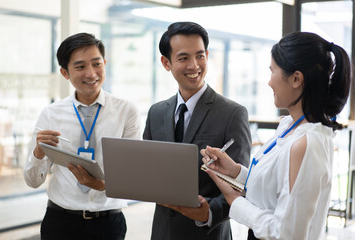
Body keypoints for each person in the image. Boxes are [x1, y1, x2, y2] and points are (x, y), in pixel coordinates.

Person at [201, 31, 351, 240]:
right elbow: (274, 190)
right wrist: (235, 171)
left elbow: (287, 234)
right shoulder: (290, 126)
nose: (269, 82)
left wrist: (235, 202)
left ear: (296, 79)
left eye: (273, 72)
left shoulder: (306, 143)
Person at [24, 33, 142, 240]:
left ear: (105, 63)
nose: (91, 73)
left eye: (97, 64)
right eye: (80, 67)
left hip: (109, 224)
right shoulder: (51, 114)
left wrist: (102, 185)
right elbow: (32, 181)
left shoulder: (126, 111)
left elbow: (133, 176)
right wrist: (38, 152)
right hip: (59, 222)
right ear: (64, 72)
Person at [143, 21, 252, 240]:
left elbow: (242, 184)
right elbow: (148, 173)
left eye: (200, 56)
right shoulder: (155, 113)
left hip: (208, 234)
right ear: (166, 62)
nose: (194, 66)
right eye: (183, 58)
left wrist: (208, 212)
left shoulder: (232, 113)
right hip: (162, 232)